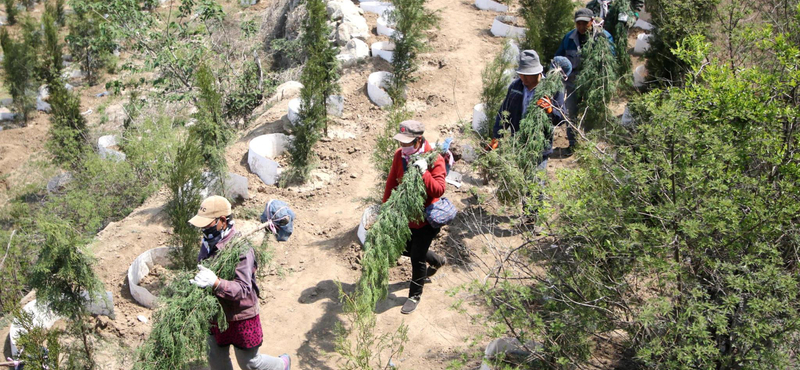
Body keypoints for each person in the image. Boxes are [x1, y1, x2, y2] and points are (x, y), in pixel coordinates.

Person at [188, 196, 291, 370]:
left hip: (241, 315)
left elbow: (243, 289)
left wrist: (216, 283)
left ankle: (282, 364)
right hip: (216, 315)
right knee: (217, 362)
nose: (203, 229)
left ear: (222, 221)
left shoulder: (242, 249)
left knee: (250, 364)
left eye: (206, 224)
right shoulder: (208, 242)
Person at [383, 120, 448, 314]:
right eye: (401, 142)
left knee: (417, 257)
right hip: (406, 216)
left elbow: (439, 189)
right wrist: (385, 210)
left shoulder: (434, 159)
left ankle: (414, 295)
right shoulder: (399, 156)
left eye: (407, 143)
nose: (403, 147)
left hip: (426, 218)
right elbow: (391, 184)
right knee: (404, 248)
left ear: (418, 140)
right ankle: (436, 260)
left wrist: (425, 172)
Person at [492, 49, 566, 166]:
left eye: (528, 75)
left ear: (538, 72)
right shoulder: (516, 86)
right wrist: (497, 137)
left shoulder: (552, 89)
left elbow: (562, 118)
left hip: (540, 149)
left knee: (536, 182)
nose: (524, 79)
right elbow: (503, 113)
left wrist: (550, 110)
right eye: (522, 74)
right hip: (517, 144)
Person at [555, 8, 615, 124]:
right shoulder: (569, 38)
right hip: (573, 83)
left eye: (585, 23)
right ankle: (572, 141)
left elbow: (610, 60)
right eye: (578, 23)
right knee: (571, 113)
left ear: (592, 21)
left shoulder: (603, 37)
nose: (582, 27)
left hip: (593, 84)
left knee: (591, 113)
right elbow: (559, 58)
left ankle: (588, 138)